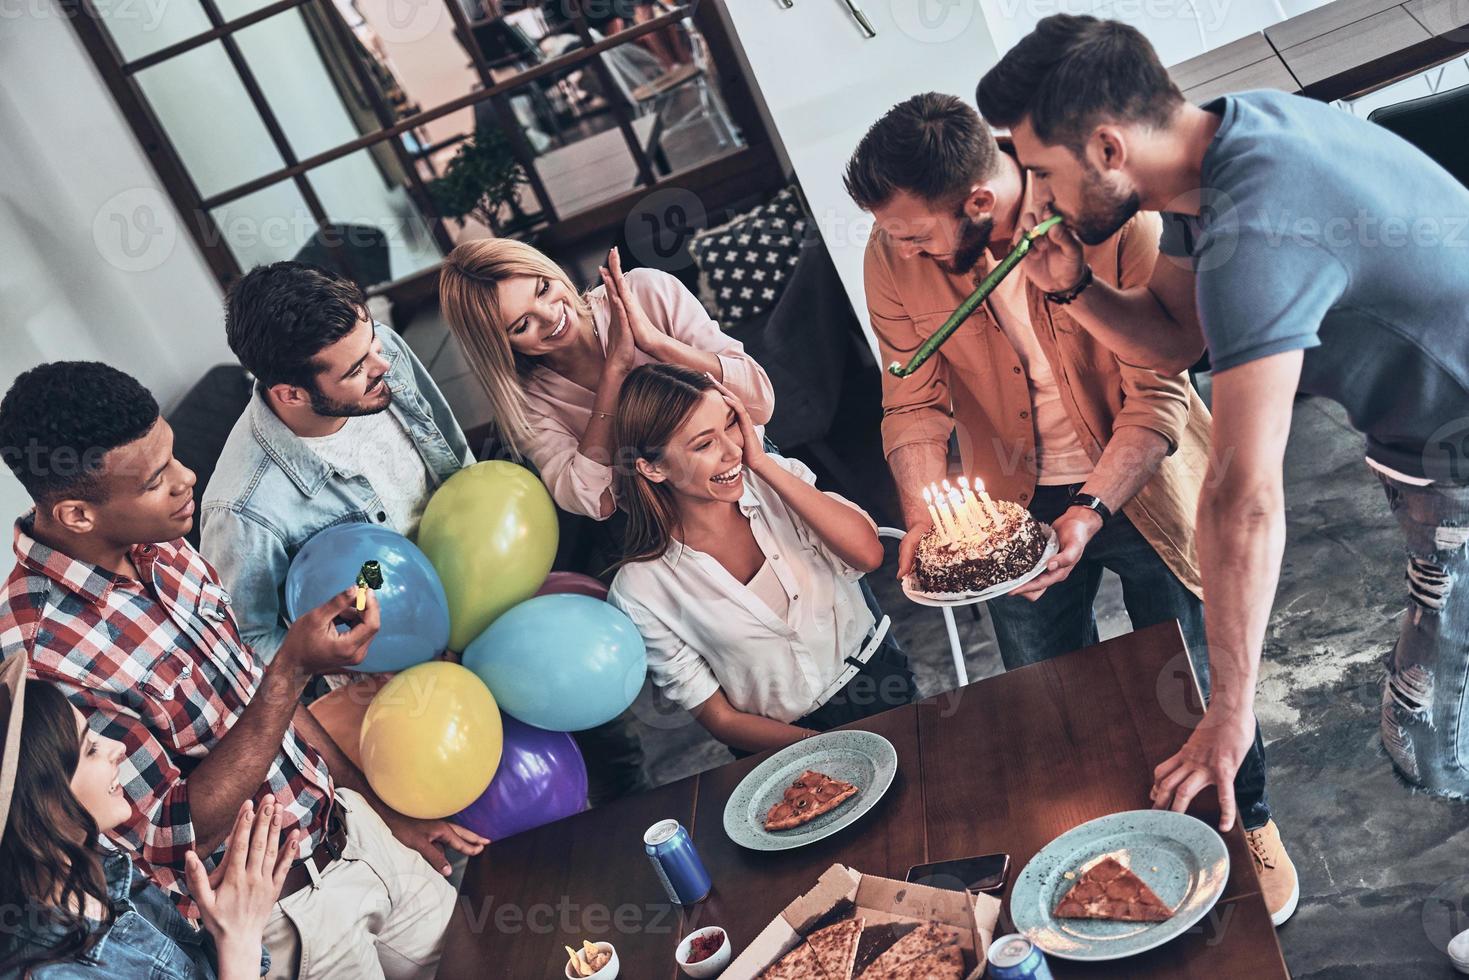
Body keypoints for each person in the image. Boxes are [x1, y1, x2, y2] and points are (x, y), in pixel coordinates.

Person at [977, 11, 1469, 923]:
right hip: (1427, 459)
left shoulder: (1256, 231)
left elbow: (1242, 497)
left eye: (1040, 172)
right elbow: (1175, 338)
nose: (1033, 197)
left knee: (1438, 726)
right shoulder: (1227, 137)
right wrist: (1073, 287)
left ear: (1107, 146)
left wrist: (1229, 710)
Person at [842, 90, 1296, 926]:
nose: (895, 246)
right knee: (1052, 692)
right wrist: (924, 514)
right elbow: (909, 399)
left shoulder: (1108, 214)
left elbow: (1157, 391)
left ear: (977, 202)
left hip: (1144, 481)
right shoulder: (889, 250)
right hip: (1009, 499)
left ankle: (1247, 822)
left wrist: (1087, 512)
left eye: (912, 231)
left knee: (1190, 674)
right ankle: (1103, 843)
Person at [0, 362, 485, 980]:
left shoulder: (166, 546)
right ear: (76, 515)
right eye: (155, 480)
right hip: (283, 926)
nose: (187, 479)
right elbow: (179, 835)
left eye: (173, 455)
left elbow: (262, 705)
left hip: (354, 836)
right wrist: (292, 668)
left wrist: (378, 814)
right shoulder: (40, 654)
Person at [607, 364, 914, 755]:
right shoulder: (641, 591)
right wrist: (825, 749)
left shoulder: (777, 481)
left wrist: (766, 466)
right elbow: (721, 719)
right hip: (782, 747)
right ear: (652, 468)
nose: (733, 450)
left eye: (731, 424)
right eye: (704, 444)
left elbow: (868, 555)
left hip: (882, 684)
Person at [201, 262, 473, 664]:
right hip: (395, 667)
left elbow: (455, 458)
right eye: (356, 370)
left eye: (372, 344)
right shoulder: (243, 511)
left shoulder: (382, 351)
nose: (381, 366)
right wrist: (349, 666)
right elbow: (247, 640)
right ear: (291, 395)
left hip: (475, 583)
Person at [439, 240, 774, 522]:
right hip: (675, 523)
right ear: (502, 346)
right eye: (522, 325)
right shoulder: (528, 403)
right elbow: (595, 503)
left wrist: (657, 343)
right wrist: (614, 373)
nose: (551, 316)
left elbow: (759, 402)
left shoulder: (645, 291)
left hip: (753, 471)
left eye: (543, 289)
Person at [0, 654, 292, 979]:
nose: (116, 747)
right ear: (44, 803)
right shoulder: (49, 972)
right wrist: (242, 942)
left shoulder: (101, 874)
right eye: (90, 749)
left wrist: (223, 926)